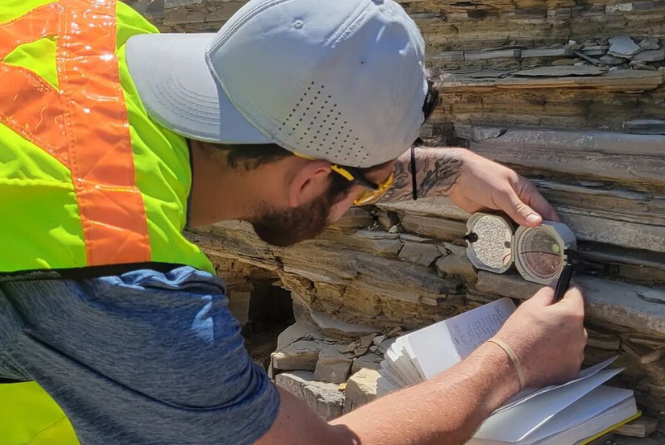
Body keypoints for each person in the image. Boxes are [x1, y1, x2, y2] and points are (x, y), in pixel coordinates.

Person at [0, 0, 587, 444]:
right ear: (309, 180)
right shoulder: (124, 286)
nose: (374, 190)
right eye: (366, 183)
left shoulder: (81, 27)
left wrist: (436, 170)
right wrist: (511, 363)